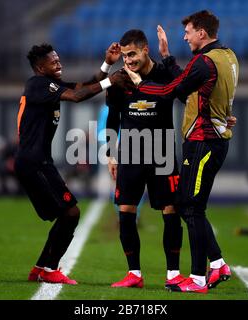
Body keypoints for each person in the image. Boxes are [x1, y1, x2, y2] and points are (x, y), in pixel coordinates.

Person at [124, 10, 239, 293]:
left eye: (188, 32)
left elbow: (172, 89)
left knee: (191, 208)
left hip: (203, 142)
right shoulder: (227, 56)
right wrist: (167, 57)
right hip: (212, 138)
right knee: (191, 206)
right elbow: (196, 87)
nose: (184, 37)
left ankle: (200, 278)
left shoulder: (204, 62)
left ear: (202, 32)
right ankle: (218, 264)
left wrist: (141, 86)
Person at [15, 43, 131, 285]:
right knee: (71, 212)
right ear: (39, 67)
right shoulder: (37, 84)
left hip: (37, 161)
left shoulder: (49, 86)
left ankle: (41, 267)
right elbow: (78, 97)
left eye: (59, 59)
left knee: (66, 214)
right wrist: (111, 81)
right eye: (53, 61)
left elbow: (84, 87)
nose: (59, 63)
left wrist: (107, 64)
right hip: (34, 162)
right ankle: (49, 269)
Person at [105, 30, 184, 289]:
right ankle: (134, 274)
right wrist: (110, 153)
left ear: (145, 49)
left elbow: (185, 89)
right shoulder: (119, 80)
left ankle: (173, 275)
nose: (127, 60)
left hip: (162, 152)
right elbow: (112, 118)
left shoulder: (164, 73)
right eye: (124, 56)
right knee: (126, 211)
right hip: (130, 154)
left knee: (170, 211)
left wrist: (168, 55)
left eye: (132, 54)